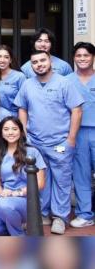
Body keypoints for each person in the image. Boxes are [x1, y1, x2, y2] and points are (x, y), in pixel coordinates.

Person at [15, 49, 83, 235]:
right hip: (36, 142)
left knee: (61, 180)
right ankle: (43, 213)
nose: (39, 65)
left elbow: (76, 111)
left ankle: (60, 217)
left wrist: (70, 139)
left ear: (50, 61)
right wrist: (25, 131)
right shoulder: (28, 84)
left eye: (42, 61)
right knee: (40, 180)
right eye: (35, 62)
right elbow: (22, 108)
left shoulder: (64, 83)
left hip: (60, 143)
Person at [0, 116, 47, 236]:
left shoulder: (32, 152)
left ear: (20, 132)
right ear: (1, 133)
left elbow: (40, 183)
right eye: (6, 129)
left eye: (14, 129)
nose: (10, 132)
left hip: (27, 199)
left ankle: (19, 235)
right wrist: (1, 193)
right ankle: (13, 224)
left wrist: (19, 193)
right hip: (4, 198)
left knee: (5, 205)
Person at [67, 42, 95, 228]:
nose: (82, 59)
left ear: (93, 57)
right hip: (78, 132)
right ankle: (85, 214)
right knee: (81, 174)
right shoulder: (67, 80)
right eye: (78, 55)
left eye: (86, 55)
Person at [0, 45, 25, 115]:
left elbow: (24, 104)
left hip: (13, 120)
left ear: (10, 60)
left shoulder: (19, 76)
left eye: (6, 57)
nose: (2, 60)